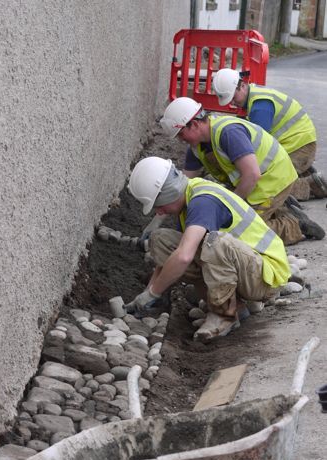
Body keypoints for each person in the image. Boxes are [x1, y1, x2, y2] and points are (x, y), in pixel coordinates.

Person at [125, 156, 291, 342]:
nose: (160, 213)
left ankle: (223, 315)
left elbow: (184, 257)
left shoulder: (202, 203)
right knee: (161, 240)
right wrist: (148, 293)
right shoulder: (189, 194)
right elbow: (174, 255)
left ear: (169, 193)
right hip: (246, 268)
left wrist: (152, 293)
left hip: (265, 275)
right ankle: (235, 307)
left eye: (159, 206)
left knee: (213, 242)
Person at [159, 97, 325, 244]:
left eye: (181, 135)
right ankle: (279, 208)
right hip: (254, 181)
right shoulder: (196, 148)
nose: (181, 141)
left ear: (194, 124)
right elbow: (180, 188)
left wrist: (233, 205)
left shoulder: (229, 133)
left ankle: (294, 225)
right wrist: (158, 218)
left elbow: (252, 174)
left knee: (242, 234)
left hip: (272, 180)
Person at [212, 68, 327, 200]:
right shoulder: (254, 96)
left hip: (299, 145)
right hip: (297, 143)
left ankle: (309, 185)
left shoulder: (259, 106)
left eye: (233, 97)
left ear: (242, 85)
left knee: (271, 184)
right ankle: (306, 174)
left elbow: (258, 148)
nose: (232, 102)